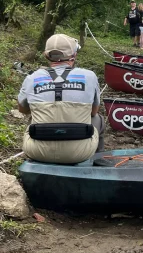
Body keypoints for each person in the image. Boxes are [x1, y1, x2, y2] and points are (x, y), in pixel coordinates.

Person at [17, 34, 104, 164]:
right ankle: (95, 163)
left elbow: (22, 109)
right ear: (74, 55)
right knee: (98, 119)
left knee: (33, 117)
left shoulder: (32, 78)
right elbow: (93, 112)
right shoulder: (90, 76)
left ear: (46, 55)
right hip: (80, 153)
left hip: (37, 152)